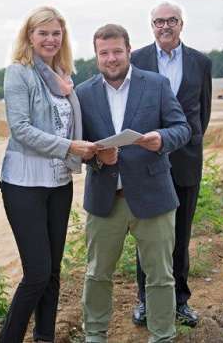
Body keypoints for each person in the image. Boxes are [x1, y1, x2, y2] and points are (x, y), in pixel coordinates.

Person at [77, 23, 190, 343]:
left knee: (160, 275)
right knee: (97, 274)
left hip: (153, 197)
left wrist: (161, 139)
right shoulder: (83, 93)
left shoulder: (155, 84)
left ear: (129, 51)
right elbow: (78, 147)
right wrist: (99, 158)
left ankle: (162, 335)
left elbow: (181, 128)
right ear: (96, 56)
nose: (111, 58)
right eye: (104, 53)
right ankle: (95, 335)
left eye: (116, 51)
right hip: (105, 199)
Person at [0, 6, 97, 343]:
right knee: (37, 273)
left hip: (59, 183)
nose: (51, 39)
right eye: (43, 33)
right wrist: (70, 146)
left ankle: (45, 337)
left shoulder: (64, 77)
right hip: (24, 184)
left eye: (56, 33)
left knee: (53, 272)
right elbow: (21, 130)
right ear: (30, 36)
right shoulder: (19, 73)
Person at [130, 1, 212, 328]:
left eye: (172, 20)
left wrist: (184, 143)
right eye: (159, 21)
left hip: (186, 162)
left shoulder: (201, 63)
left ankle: (180, 301)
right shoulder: (137, 60)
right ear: (151, 26)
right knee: (148, 236)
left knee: (180, 235)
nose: (165, 26)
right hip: (146, 163)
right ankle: (145, 301)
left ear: (182, 24)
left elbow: (201, 115)